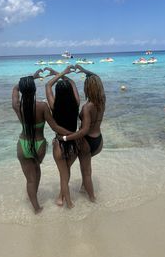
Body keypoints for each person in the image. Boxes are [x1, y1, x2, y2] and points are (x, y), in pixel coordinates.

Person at [12, 70, 71, 214]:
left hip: (23, 144)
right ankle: (36, 203)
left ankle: (36, 207)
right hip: (39, 145)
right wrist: (74, 134)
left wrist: (31, 77)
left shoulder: (17, 105)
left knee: (30, 179)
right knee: (37, 170)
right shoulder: (42, 106)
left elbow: (15, 88)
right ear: (34, 90)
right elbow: (55, 127)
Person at [58, 64, 106, 202]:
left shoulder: (87, 107)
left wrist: (65, 138)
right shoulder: (102, 101)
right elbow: (96, 77)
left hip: (87, 142)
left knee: (86, 173)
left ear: (87, 88)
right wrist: (85, 71)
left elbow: (84, 130)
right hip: (99, 140)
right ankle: (84, 190)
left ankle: (92, 199)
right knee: (86, 170)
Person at [45, 66, 80, 208]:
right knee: (66, 173)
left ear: (57, 93)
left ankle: (68, 203)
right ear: (71, 93)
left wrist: (59, 74)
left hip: (60, 143)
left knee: (63, 175)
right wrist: (64, 74)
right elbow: (73, 83)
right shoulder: (76, 103)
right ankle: (61, 196)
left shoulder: (54, 105)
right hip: (74, 143)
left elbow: (48, 85)